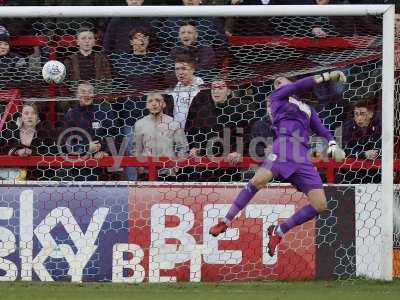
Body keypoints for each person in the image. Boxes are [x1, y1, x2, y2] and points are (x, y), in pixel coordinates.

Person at [209, 71, 347, 258]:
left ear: (290, 81)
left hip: (302, 157)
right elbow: (300, 86)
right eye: (275, 83)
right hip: (284, 145)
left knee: (320, 204)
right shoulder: (278, 97)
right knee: (259, 180)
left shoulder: (308, 109)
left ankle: (279, 231)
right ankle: (226, 220)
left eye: (281, 81)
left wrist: (332, 144)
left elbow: (322, 129)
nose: (277, 84)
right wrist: (328, 75)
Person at [125, 93, 189, 180]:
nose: (154, 104)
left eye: (157, 100)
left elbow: (183, 148)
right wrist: (139, 166)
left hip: (168, 173)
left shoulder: (174, 123)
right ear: (147, 105)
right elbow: (136, 148)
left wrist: (176, 167)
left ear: (164, 104)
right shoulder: (140, 124)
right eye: (150, 101)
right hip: (146, 172)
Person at [0, 103, 55, 180]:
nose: (30, 116)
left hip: (38, 176)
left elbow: (52, 152)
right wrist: (16, 152)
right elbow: (3, 149)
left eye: (33, 113)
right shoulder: (11, 130)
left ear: (37, 116)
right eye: (26, 113)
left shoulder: (44, 132)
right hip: (13, 175)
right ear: (21, 116)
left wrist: (33, 152)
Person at [336, 98, 381, 184]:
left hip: (374, 173)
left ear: (371, 114)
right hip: (350, 173)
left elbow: (380, 149)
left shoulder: (379, 128)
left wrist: (375, 153)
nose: (359, 118)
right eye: (356, 114)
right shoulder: (347, 128)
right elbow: (343, 151)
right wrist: (363, 154)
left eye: (362, 114)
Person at [110, 26, 165, 92]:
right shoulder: (122, 62)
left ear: (148, 40)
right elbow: (117, 86)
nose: (141, 40)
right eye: (137, 38)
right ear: (131, 42)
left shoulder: (157, 61)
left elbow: (162, 83)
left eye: (144, 37)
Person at [63, 27, 112, 92]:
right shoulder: (69, 60)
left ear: (94, 42)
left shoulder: (102, 60)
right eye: (83, 38)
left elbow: (108, 81)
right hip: (76, 99)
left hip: (98, 99)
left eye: (90, 38)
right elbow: (64, 84)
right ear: (77, 42)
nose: (87, 41)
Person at [165, 54, 204, 129]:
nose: (180, 72)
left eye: (184, 68)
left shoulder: (201, 90)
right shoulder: (175, 88)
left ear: (193, 69)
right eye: (177, 69)